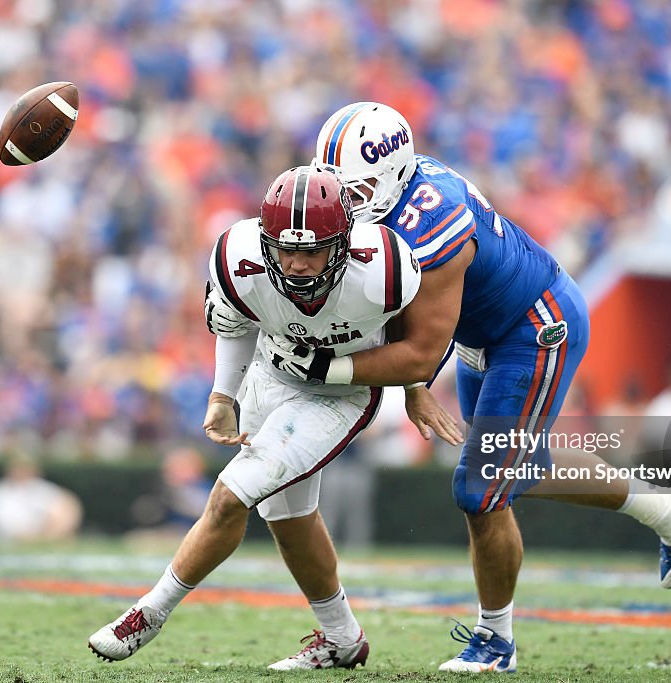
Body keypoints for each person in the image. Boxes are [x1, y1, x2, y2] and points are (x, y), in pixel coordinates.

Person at [265, 102, 671, 673]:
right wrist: (410, 385)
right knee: (515, 467)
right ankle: (668, 511)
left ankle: (495, 641)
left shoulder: (430, 222)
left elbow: (424, 344)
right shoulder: (395, 191)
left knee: (481, 490)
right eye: (339, 188)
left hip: (532, 327)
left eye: (357, 189)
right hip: (485, 331)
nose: (346, 203)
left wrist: (339, 371)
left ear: (394, 174)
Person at [87, 165, 456, 669]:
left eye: (313, 251)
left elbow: (418, 339)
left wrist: (415, 385)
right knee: (289, 517)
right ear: (265, 243)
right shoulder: (238, 259)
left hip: (341, 393)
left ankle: (148, 614)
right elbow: (236, 322)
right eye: (287, 250)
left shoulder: (387, 267)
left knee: (230, 494)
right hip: (270, 373)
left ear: (344, 243)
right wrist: (223, 396)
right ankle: (342, 639)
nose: (299, 265)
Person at [0, 450, 82, 542]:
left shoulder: (41, 488)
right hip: (12, 540)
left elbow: (66, 506)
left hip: (43, 535)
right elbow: (5, 527)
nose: (23, 472)